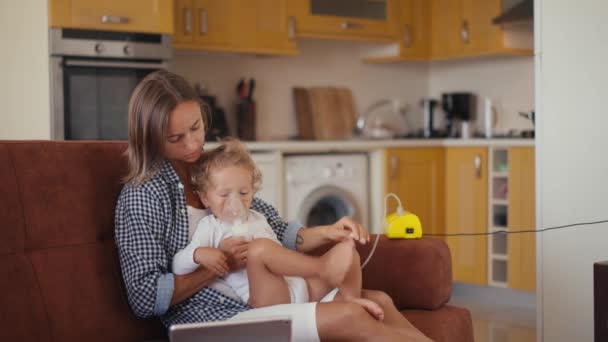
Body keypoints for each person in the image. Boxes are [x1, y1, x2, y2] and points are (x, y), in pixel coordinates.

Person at [114, 69, 431, 342]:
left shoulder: (211, 170)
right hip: (212, 318)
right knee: (352, 315)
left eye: (196, 128)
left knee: (380, 301)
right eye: (176, 138)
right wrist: (221, 264)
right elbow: (145, 296)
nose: (193, 144)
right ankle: (324, 271)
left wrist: (329, 231)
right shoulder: (144, 195)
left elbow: (275, 228)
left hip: (265, 298)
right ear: (152, 138)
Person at [171, 138, 384, 319]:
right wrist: (199, 254)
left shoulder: (259, 218)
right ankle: (323, 268)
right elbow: (179, 265)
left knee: (348, 250)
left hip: (299, 289)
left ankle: (350, 302)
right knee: (259, 250)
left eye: (243, 193)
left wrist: (331, 234)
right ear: (205, 198)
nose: (235, 202)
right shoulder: (211, 227)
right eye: (225, 195)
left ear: (253, 191)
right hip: (266, 299)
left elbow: (283, 251)